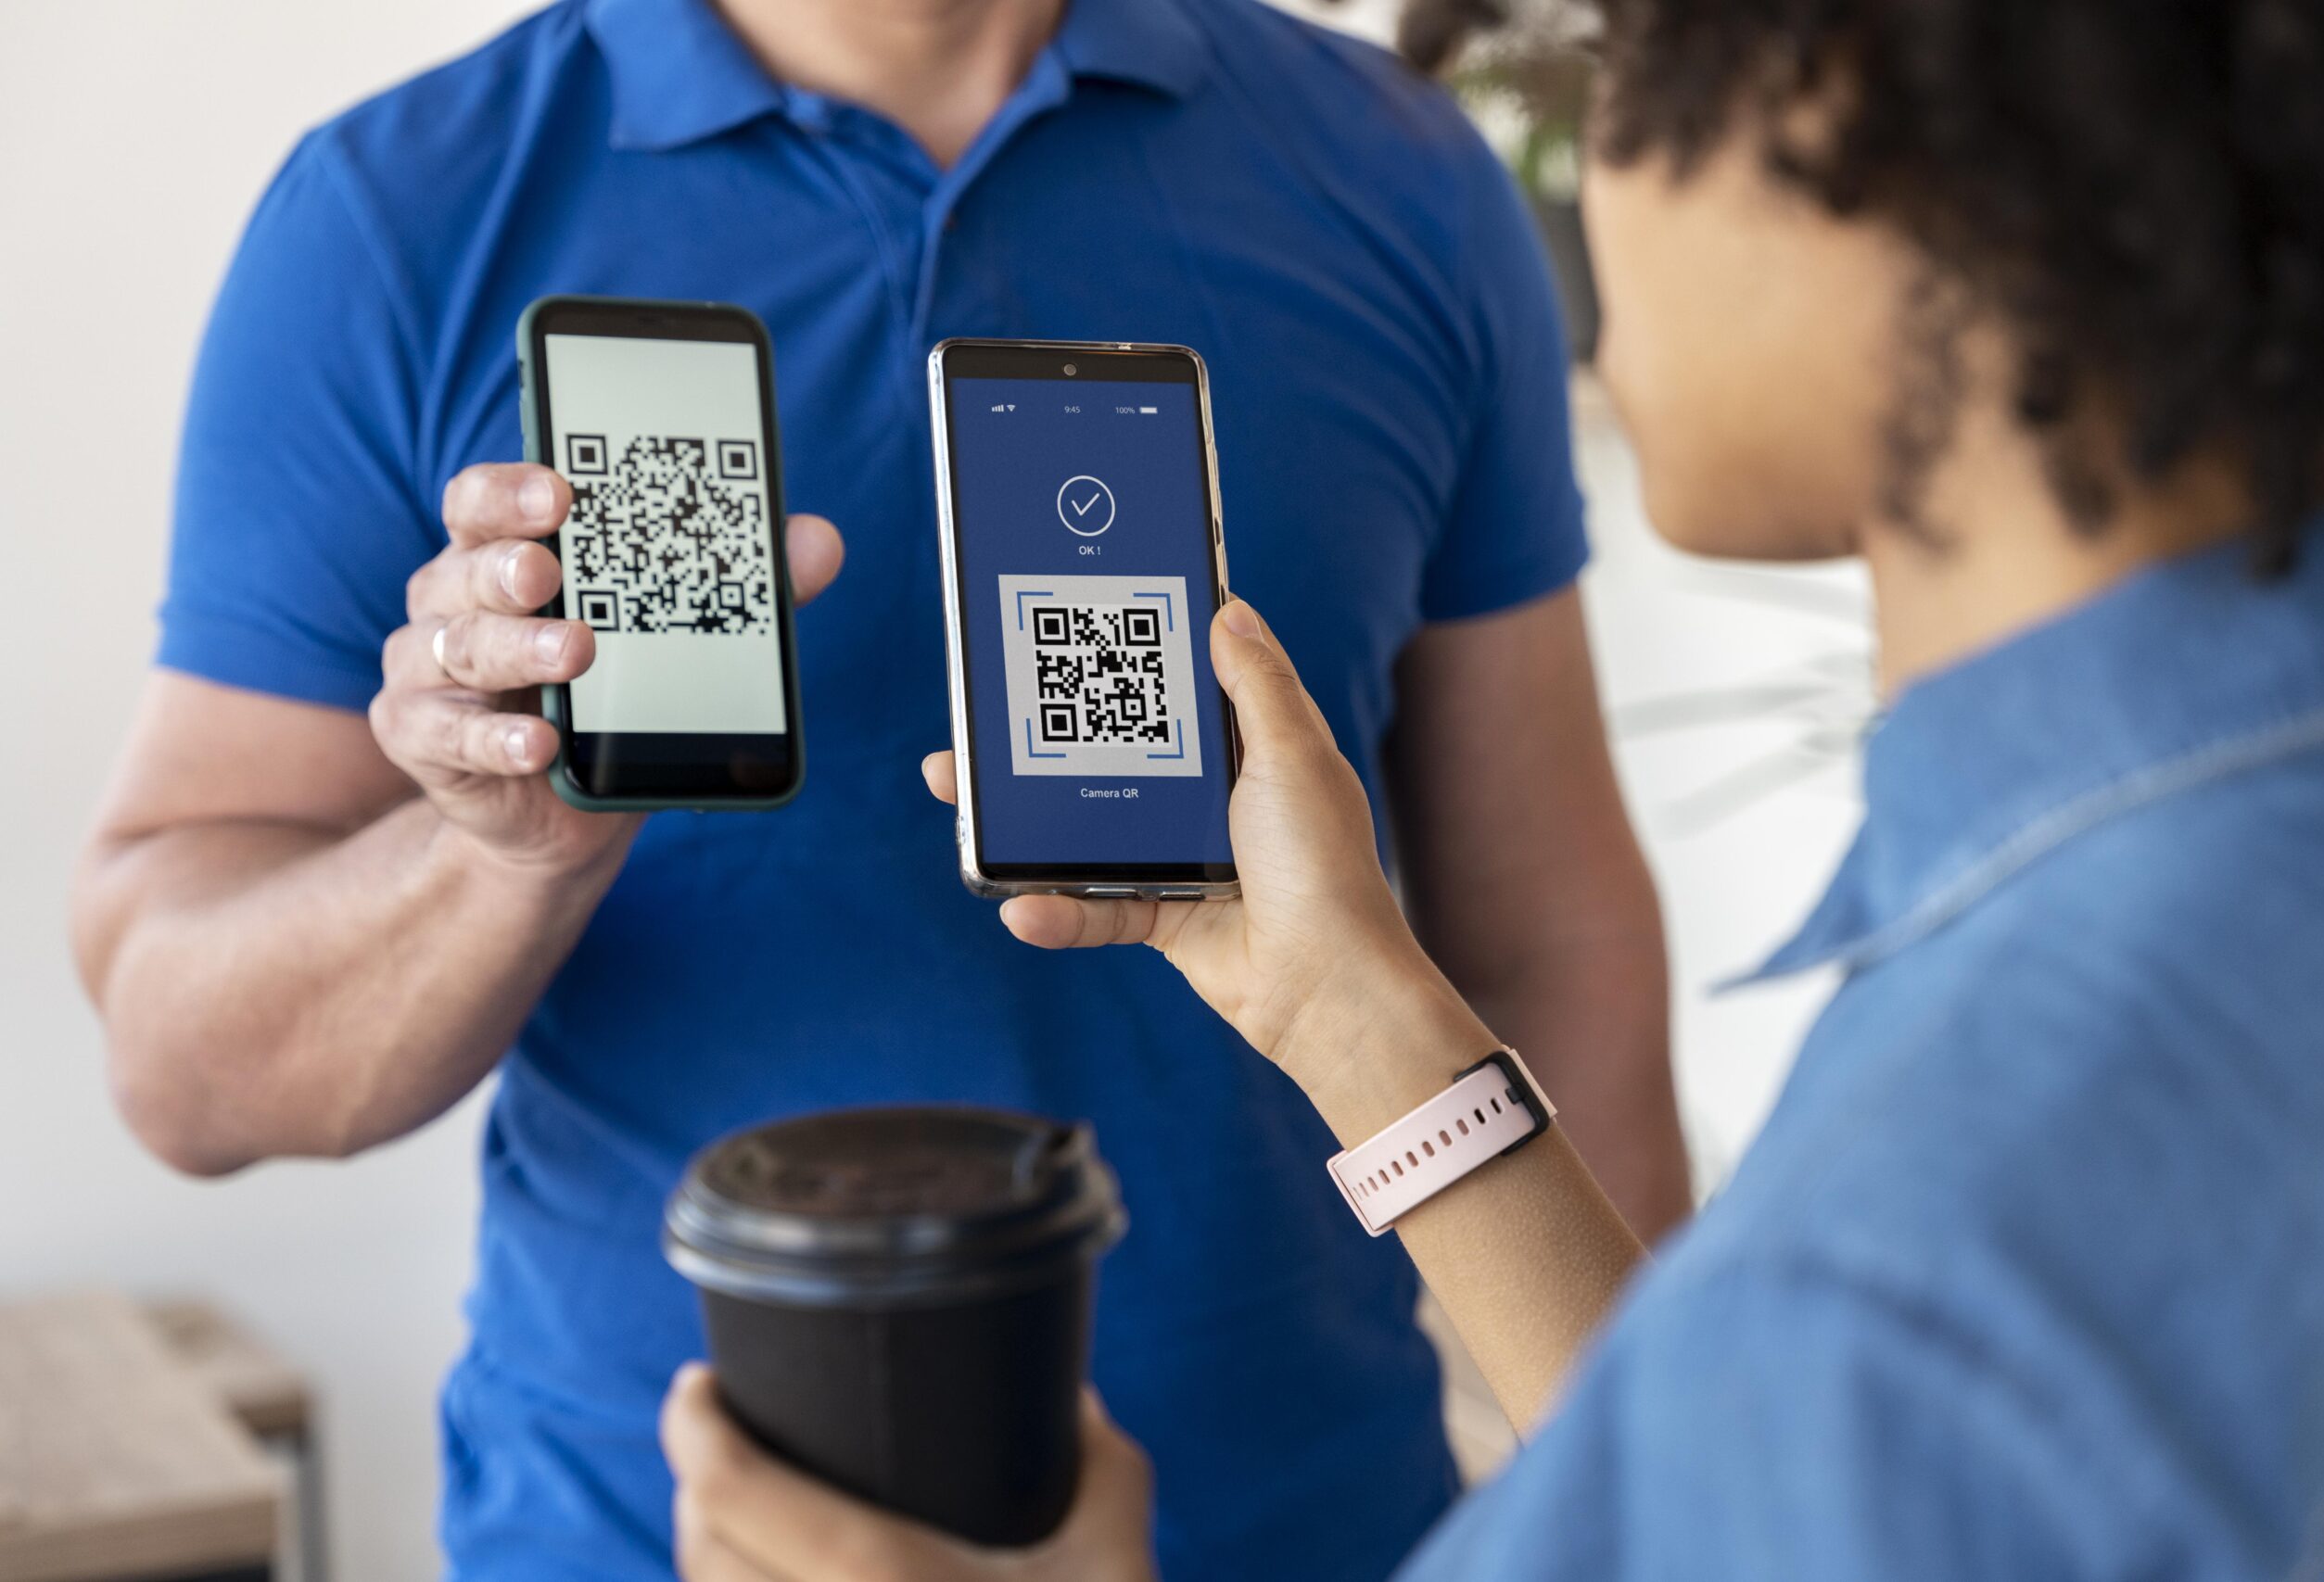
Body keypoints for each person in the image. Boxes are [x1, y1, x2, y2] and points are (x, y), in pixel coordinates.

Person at [655, 0, 2324, 1575]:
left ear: (1837, 102)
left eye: (1628, 65)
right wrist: (1354, 1013)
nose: (1593, 176)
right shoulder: (2260, 881)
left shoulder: (1928, 1251)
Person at [68, 0, 1685, 1576]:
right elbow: (182, 1066)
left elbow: (1553, 935)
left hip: (1316, 1522)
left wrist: (1673, 1484)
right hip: (645, 1531)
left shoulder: (1402, 169)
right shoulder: (391, 212)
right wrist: (499, 858)